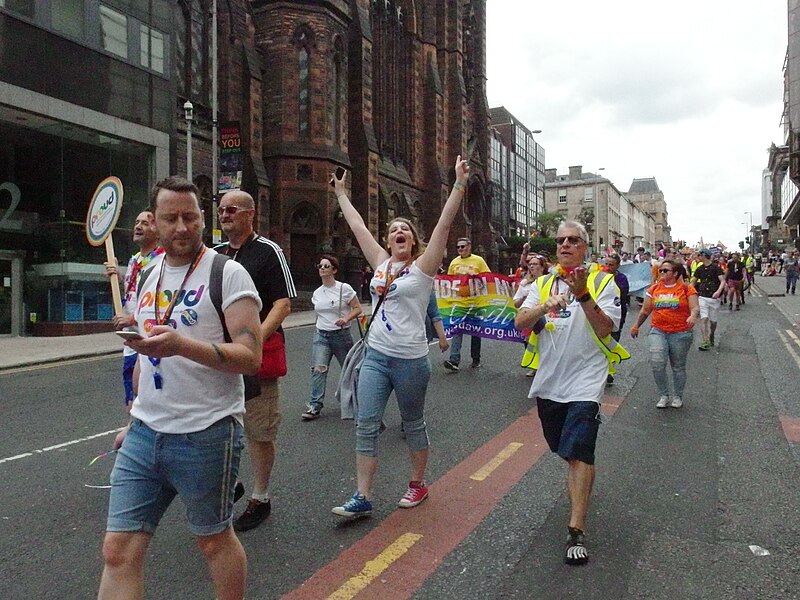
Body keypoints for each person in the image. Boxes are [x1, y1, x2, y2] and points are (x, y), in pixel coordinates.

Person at [98, 177, 263, 600]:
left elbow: (250, 355)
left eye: (190, 217)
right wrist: (132, 415)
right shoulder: (148, 275)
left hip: (206, 431)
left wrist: (182, 346)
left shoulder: (228, 273)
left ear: (202, 219)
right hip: (144, 432)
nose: (182, 227)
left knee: (212, 540)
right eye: (170, 218)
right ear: (155, 222)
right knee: (118, 550)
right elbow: (145, 353)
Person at [329, 155, 469, 518]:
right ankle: (362, 496)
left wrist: (458, 184)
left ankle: (417, 483)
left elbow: (443, 225)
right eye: (392, 230)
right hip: (375, 356)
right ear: (389, 241)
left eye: (403, 229)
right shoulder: (380, 263)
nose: (397, 233)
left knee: (412, 424)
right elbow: (358, 227)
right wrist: (341, 194)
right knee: (366, 423)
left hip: (410, 360)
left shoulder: (422, 269)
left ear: (413, 240)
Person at [514, 220, 624, 566]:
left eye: (573, 240)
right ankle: (582, 477)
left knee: (579, 450)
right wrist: (545, 307)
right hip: (550, 382)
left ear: (585, 248)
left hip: (586, 381)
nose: (564, 245)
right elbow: (520, 322)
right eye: (560, 240)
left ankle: (576, 528)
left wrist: (582, 295)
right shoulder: (543, 283)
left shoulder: (603, 281)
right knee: (562, 446)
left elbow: (607, 328)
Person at [214, 190, 296, 533]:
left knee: (259, 430)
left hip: (257, 358)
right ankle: (230, 483)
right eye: (220, 210)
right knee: (215, 424)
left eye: (231, 209)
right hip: (221, 357)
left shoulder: (268, 251)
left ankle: (260, 496)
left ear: (250, 214)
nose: (224, 214)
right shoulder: (215, 255)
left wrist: (253, 339)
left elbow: (283, 303)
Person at [104, 212, 163, 417]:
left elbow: (161, 303)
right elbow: (131, 296)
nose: (138, 226)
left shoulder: (162, 260)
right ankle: (133, 430)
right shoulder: (134, 260)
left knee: (147, 392)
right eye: (137, 222)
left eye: (145, 223)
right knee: (131, 390)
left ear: (157, 230)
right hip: (130, 337)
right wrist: (118, 279)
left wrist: (132, 319)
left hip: (149, 337)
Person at [630, 259, 698, 409]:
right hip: (658, 330)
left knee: (678, 367)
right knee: (657, 363)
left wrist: (692, 316)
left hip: (681, 333)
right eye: (660, 270)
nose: (661, 272)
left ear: (675, 273)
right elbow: (645, 310)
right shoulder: (654, 289)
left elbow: (695, 308)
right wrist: (636, 326)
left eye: (665, 270)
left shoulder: (687, 289)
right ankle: (664, 395)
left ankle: (677, 396)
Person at [301, 254, 362, 420]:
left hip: (341, 336)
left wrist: (346, 318)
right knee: (318, 370)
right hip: (321, 336)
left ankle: (359, 402)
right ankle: (315, 406)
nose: (322, 269)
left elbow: (357, 308)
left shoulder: (344, 289)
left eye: (326, 266)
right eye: (320, 266)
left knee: (349, 370)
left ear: (334, 270)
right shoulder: (317, 293)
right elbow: (319, 314)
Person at [443, 237, 491, 371]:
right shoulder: (454, 263)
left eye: (462, 246)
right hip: (459, 303)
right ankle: (454, 360)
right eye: (458, 247)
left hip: (475, 303)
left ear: (469, 247)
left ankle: (476, 359)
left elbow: (489, 279)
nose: (460, 249)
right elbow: (448, 282)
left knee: (475, 331)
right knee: (457, 330)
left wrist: (476, 276)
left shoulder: (478, 261)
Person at [515, 254, 548, 377]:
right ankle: (534, 366)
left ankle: (544, 365)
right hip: (530, 318)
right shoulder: (524, 283)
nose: (532, 266)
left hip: (547, 319)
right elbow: (515, 302)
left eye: (535, 264)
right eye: (530, 264)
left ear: (542, 267)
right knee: (530, 343)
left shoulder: (549, 281)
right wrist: (525, 297)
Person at [603, 254, 629, 384]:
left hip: (617, 315)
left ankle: (608, 368)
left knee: (612, 342)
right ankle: (605, 371)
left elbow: (621, 294)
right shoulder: (599, 277)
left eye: (611, 265)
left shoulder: (622, 278)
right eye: (606, 264)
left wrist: (610, 281)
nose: (607, 267)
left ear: (618, 266)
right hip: (601, 315)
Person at [693, 249, 726, 350]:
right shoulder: (699, 269)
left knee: (713, 321)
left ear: (704, 255)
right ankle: (705, 340)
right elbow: (693, 282)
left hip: (714, 297)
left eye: (699, 255)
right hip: (702, 296)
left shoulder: (716, 268)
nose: (698, 257)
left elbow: (723, 281)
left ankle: (711, 335)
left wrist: (718, 291)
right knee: (704, 318)